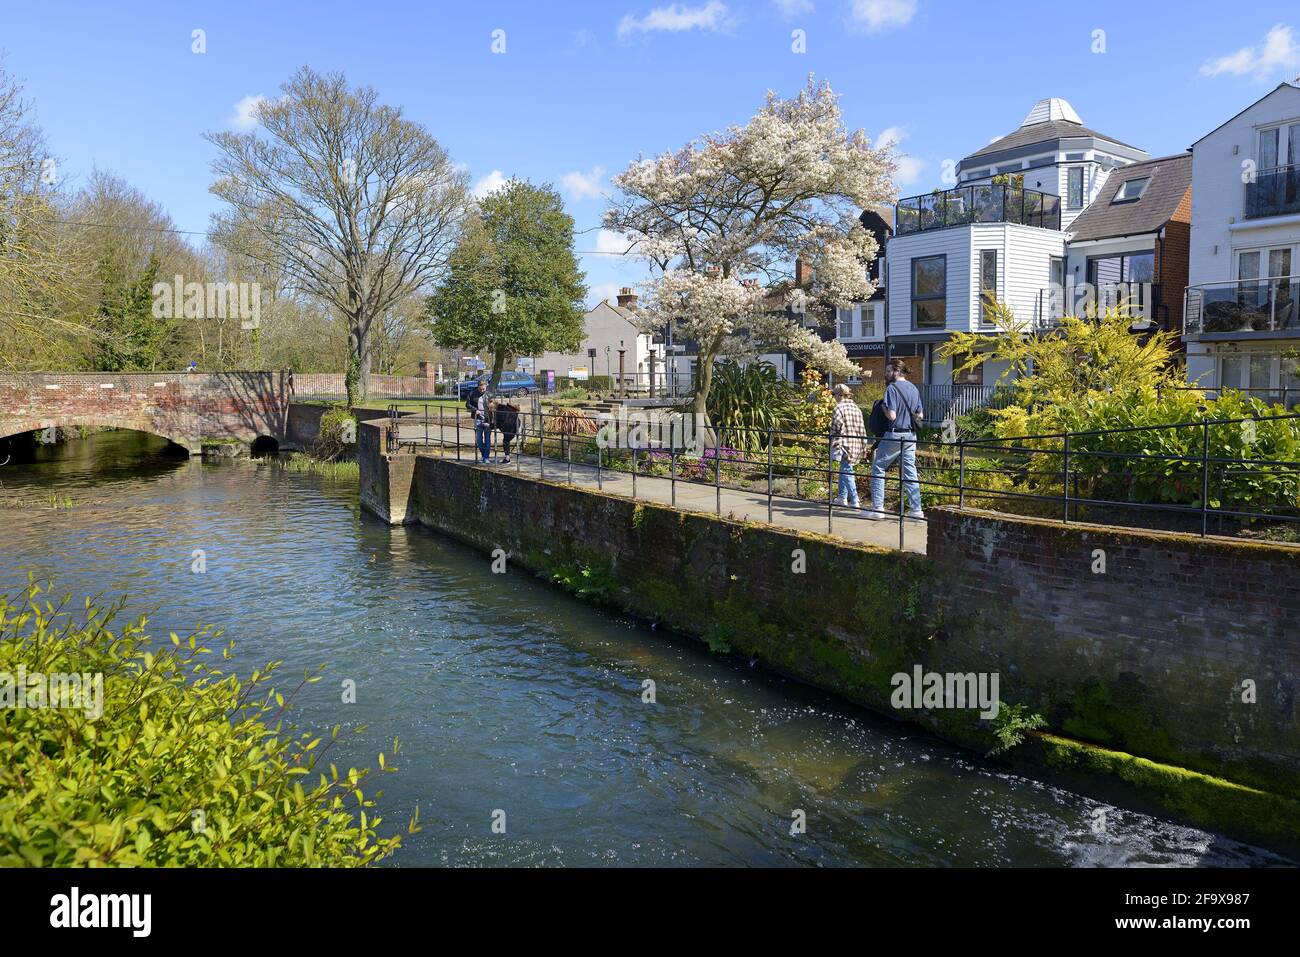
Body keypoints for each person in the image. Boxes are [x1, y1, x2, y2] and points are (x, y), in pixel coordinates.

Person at [869, 359, 925, 520]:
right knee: (909, 471)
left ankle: (878, 509)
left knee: (878, 468)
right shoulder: (914, 388)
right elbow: (920, 415)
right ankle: (916, 510)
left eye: (888, 371)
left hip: (894, 434)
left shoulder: (891, 388)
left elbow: (891, 415)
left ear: (897, 371)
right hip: (911, 435)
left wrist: (883, 407)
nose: (886, 375)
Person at [829, 384, 867, 508]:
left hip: (844, 444)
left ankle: (855, 500)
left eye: (833, 394)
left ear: (840, 395)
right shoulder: (856, 408)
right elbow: (862, 429)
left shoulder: (838, 408)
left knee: (847, 471)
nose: (833, 397)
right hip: (857, 443)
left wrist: (833, 445)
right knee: (845, 469)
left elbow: (836, 429)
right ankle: (842, 497)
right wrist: (864, 446)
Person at [468, 378, 492, 463]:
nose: (482, 390)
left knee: (487, 438)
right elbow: (467, 404)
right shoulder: (473, 393)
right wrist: (475, 410)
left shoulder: (489, 394)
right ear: (478, 387)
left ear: (486, 387)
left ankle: (486, 457)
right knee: (479, 439)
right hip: (478, 418)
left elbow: (494, 404)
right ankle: (483, 455)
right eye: (480, 389)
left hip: (487, 419)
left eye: (484, 389)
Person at [494, 398, 520, 464]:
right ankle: (508, 458)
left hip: (509, 427)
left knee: (506, 441)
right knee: (506, 441)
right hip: (513, 426)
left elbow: (498, 422)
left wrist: (490, 426)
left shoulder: (501, 411)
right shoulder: (505, 409)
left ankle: (507, 459)